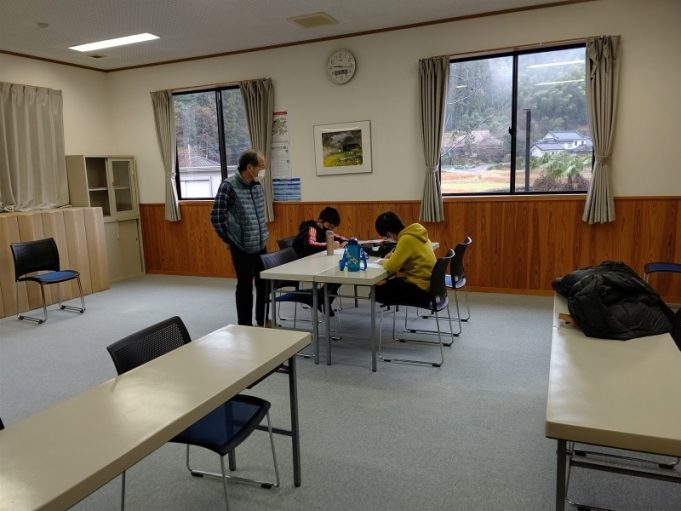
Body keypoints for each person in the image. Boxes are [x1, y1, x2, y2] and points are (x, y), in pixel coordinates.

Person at [210, 149, 269, 326]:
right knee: (245, 287)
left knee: (264, 283)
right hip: (242, 246)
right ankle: (245, 325)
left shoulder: (257, 186)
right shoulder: (229, 186)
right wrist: (229, 239)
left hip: (260, 243)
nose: (262, 170)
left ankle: (262, 319)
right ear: (250, 167)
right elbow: (216, 216)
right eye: (261, 167)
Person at [292, 207, 348, 314]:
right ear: (320, 221)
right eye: (328, 226)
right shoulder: (311, 228)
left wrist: (346, 242)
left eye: (332, 228)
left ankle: (323, 299)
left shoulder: (326, 230)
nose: (329, 230)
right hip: (303, 264)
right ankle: (323, 300)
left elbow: (339, 238)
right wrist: (330, 245)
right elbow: (310, 244)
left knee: (340, 271)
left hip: (316, 261)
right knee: (337, 272)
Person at [373, 211, 436, 305]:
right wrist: (393, 256)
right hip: (430, 286)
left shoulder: (405, 239)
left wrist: (383, 261)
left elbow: (391, 267)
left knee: (376, 292)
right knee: (388, 283)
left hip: (420, 290)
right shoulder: (416, 232)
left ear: (389, 234)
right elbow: (408, 254)